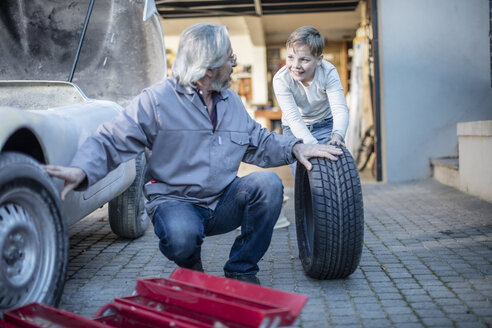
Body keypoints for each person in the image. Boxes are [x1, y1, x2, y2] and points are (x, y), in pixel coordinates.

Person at [44, 23, 343, 285]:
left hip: (222, 200)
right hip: (176, 201)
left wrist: (296, 146)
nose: (235, 63)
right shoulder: (157, 101)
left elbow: (260, 142)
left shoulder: (230, 103)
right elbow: (112, 138)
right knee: (182, 235)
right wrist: (82, 170)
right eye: (230, 57)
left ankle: (241, 269)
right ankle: (191, 269)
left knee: (268, 185)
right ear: (209, 67)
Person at [273, 26, 349, 175]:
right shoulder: (281, 79)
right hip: (294, 129)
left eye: (304, 59)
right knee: (306, 174)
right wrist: (313, 146)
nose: (296, 65)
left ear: (319, 60)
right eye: (290, 57)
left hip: (326, 125)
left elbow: (340, 109)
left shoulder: (328, 73)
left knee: (337, 170)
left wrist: (337, 135)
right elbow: (293, 119)